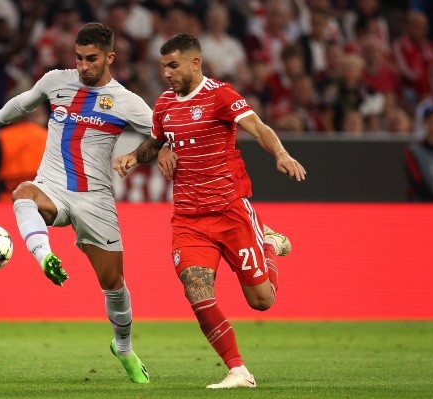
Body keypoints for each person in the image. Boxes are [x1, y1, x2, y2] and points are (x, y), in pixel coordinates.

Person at [113, 33, 306, 389]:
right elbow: (155, 142)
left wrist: (281, 154)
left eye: (173, 65)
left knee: (262, 301)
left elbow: (258, 127)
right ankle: (237, 369)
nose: (167, 73)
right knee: (195, 286)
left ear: (195, 63)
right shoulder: (164, 105)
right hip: (188, 217)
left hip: (230, 210)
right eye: (163, 66)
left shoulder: (220, 95)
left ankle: (268, 245)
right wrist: (134, 156)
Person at [0, 22, 151, 384]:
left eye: (91, 59)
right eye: (78, 58)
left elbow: (161, 131)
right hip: (51, 187)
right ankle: (44, 256)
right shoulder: (55, 81)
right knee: (22, 194)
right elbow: (23, 102)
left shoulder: (127, 101)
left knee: (114, 284)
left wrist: (147, 154)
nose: (82, 66)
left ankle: (124, 348)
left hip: (95, 200)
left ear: (110, 58)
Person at [404, 103, 433, 203]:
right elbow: (417, 182)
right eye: (430, 121)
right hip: (423, 205)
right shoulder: (414, 152)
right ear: (424, 123)